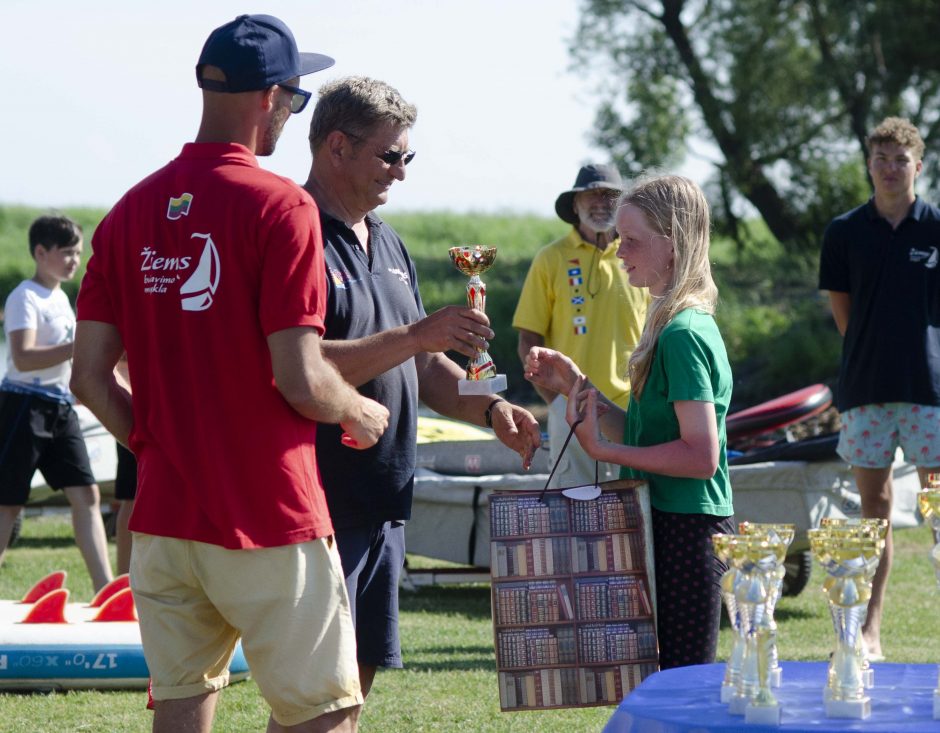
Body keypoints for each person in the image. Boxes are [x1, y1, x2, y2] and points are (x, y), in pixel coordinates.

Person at [70, 15, 389, 733]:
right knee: (323, 713)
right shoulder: (282, 206)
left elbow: (88, 377)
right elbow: (301, 377)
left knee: (181, 706)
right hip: (269, 512)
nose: (293, 113)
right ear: (271, 97)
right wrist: (356, 412)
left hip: (162, 521)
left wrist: (153, 446)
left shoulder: (127, 212)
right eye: (296, 100)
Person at [300, 76, 541, 699]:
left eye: (409, 156)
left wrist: (490, 407)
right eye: (389, 156)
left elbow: (424, 365)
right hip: (319, 503)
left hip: (386, 496)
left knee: (356, 684)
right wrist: (415, 334)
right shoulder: (294, 234)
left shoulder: (388, 240)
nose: (401, 173)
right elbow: (299, 364)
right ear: (336, 146)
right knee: (314, 690)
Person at [524, 174, 735, 670]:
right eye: (620, 237)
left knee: (679, 689)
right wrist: (578, 387)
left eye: (633, 240)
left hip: (687, 525)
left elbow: (700, 456)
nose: (620, 251)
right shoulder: (669, 319)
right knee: (657, 683)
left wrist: (607, 453)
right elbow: (648, 432)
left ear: (674, 241)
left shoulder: (682, 331)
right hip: (666, 516)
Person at [819, 116, 940, 663]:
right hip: (865, 391)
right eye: (880, 159)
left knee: (938, 515)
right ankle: (869, 632)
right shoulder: (844, 232)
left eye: (901, 160)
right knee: (875, 513)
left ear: (919, 165)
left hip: (930, 393)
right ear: (869, 165)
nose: (890, 169)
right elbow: (845, 315)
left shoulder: (937, 226)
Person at [513, 164, 648, 489]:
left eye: (610, 195)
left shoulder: (641, 255)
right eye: (592, 195)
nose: (601, 202)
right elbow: (528, 341)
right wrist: (558, 402)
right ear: (575, 205)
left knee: (633, 508)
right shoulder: (551, 258)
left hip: (633, 411)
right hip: (570, 408)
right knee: (573, 510)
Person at [0, 214, 114, 592]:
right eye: (66, 253)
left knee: (86, 494)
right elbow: (24, 357)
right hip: (23, 407)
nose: (74, 261)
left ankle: (104, 589)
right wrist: (78, 347)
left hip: (60, 407)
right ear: (40, 252)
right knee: (9, 503)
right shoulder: (24, 296)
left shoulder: (63, 297)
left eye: (78, 253)